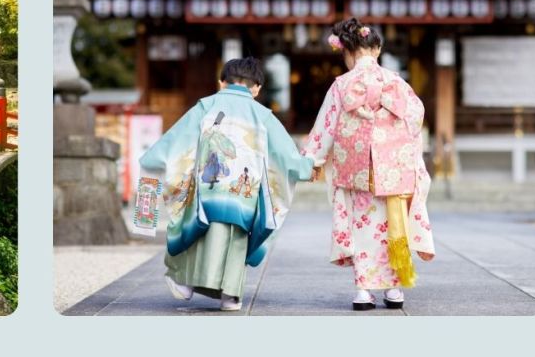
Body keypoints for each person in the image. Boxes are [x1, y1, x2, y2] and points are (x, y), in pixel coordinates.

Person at [138, 57, 313, 311]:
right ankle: (230, 296)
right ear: (256, 88)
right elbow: (287, 157)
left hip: (207, 192)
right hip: (243, 196)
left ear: (222, 83)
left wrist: (151, 161)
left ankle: (185, 285)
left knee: (194, 231)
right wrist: (308, 167)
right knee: (236, 240)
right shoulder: (263, 115)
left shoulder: (205, 106)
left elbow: (175, 142)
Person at [303, 18, 436, 311]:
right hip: (393, 166)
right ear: (376, 49)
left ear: (348, 52)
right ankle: (394, 289)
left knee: (362, 225)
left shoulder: (342, 84)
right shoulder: (396, 82)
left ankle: (364, 290)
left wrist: (313, 158)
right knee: (392, 224)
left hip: (357, 166)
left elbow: (327, 124)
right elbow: (415, 118)